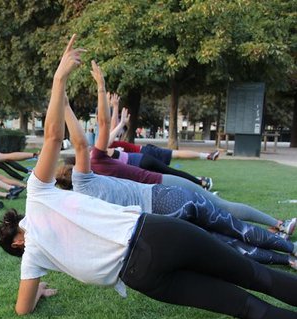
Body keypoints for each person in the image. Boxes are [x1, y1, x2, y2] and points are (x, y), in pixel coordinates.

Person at [0, 37, 297, 319]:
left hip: (140, 273)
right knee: (257, 275)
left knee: (244, 306)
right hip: (156, 232)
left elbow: (22, 309)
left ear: (17, 246)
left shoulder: (33, 254)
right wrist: (59, 80)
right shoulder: (38, 195)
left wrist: (38, 293)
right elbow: (53, 139)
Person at [58, 94, 297, 267]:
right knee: (232, 222)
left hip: (157, 222)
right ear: (77, 171)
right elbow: (94, 132)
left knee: (224, 243)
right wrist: (66, 101)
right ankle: (288, 244)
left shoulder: (83, 203)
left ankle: (285, 259)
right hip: (166, 194)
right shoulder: (91, 170)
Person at [88, 92, 290, 232]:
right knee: (220, 210)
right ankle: (279, 225)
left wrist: (113, 110)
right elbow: (106, 127)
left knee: (218, 215)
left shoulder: (92, 179)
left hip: (160, 193)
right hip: (162, 189)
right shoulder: (95, 161)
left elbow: (105, 127)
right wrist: (105, 96)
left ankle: (278, 226)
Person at [108, 95, 219, 161]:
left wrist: (114, 107)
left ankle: (204, 164)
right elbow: (113, 126)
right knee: (174, 157)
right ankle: (207, 157)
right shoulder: (107, 144)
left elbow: (113, 126)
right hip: (144, 152)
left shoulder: (106, 145)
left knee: (171, 163)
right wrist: (115, 106)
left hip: (144, 152)